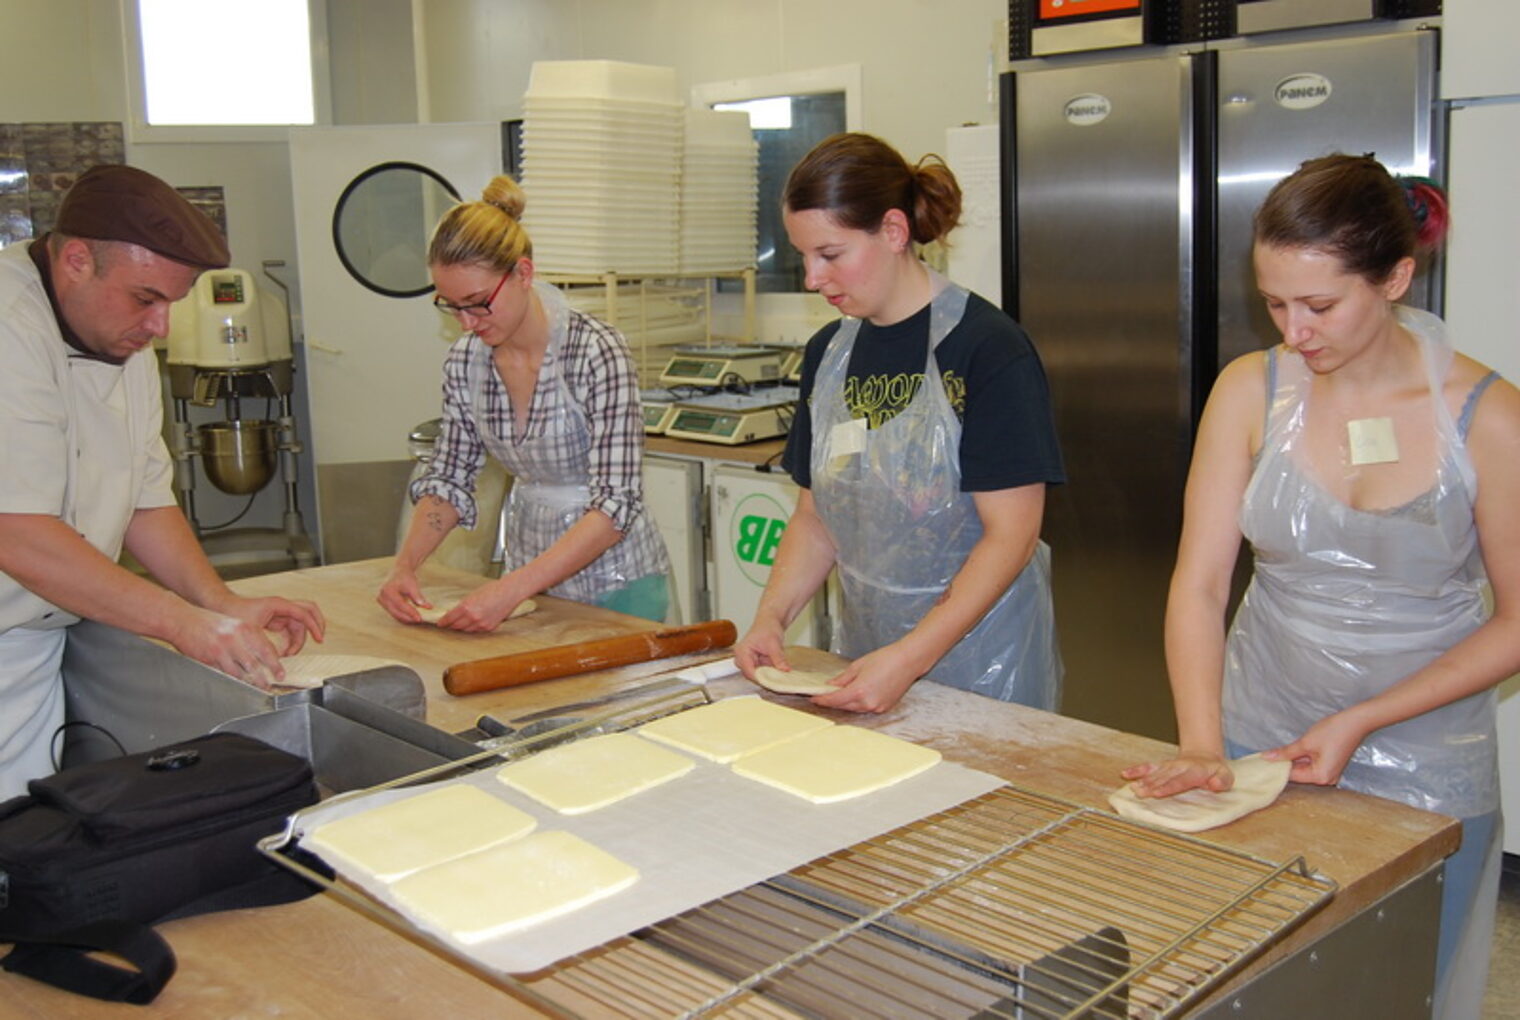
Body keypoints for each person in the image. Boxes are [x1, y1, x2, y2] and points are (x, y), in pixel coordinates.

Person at [1121, 154, 1520, 1019]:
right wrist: (1201, 741)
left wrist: (1365, 720)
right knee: (1265, 987)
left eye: (1320, 305)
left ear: (1397, 278)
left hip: (1428, 766)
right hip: (1263, 741)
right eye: (1274, 303)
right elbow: (1199, 585)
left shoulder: (1486, 416)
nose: (1294, 331)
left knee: (1401, 989)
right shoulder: (1250, 392)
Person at [0, 165, 326, 798]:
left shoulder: (121, 339)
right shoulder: (9, 329)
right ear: (74, 260)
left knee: (18, 850)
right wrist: (182, 623)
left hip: (26, 655)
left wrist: (220, 603)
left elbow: (147, 499)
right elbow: (17, 532)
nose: (161, 327)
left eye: (172, 303)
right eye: (146, 299)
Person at [733, 133, 1065, 714]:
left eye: (830, 255)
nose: (812, 278)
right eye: (802, 256)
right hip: (867, 654)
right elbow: (817, 516)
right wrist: (771, 618)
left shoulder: (986, 349)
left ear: (892, 231)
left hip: (982, 659)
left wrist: (910, 657)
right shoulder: (828, 356)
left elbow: (1010, 535)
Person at [379, 176, 672, 628]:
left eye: (477, 304)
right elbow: (450, 477)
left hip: (617, 582)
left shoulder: (594, 350)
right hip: (530, 573)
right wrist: (404, 566)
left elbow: (616, 506)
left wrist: (510, 589)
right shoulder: (466, 363)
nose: (466, 324)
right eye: (451, 307)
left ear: (522, 274)